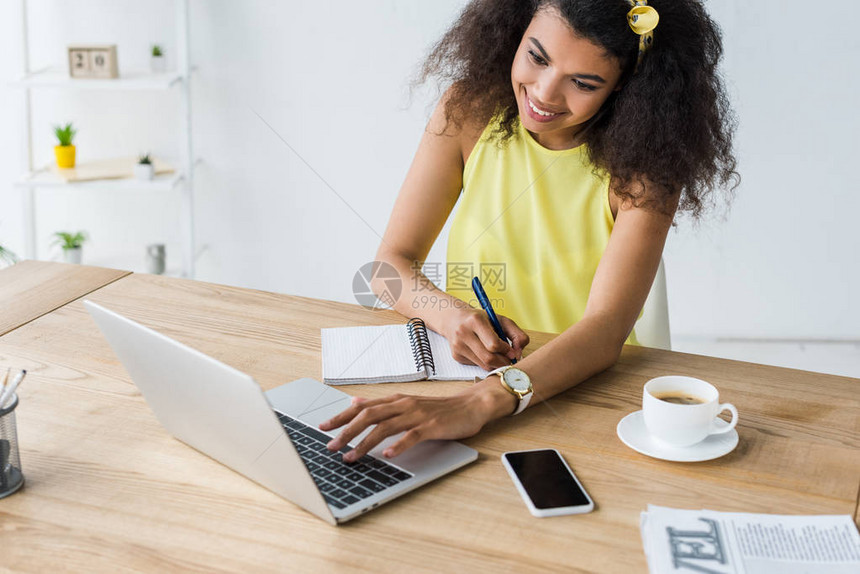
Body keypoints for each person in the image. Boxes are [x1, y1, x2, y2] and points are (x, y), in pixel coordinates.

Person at [320, 0, 737, 462]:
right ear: (515, 31)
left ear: (627, 89)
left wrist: (483, 402)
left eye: (583, 83)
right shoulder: (469, 112)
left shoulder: (643, 171)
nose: (544, 93)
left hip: (578, 387)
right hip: (462, 373)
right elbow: (388, 266)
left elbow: (605, 331)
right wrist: (453, 318)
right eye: (537, 57)